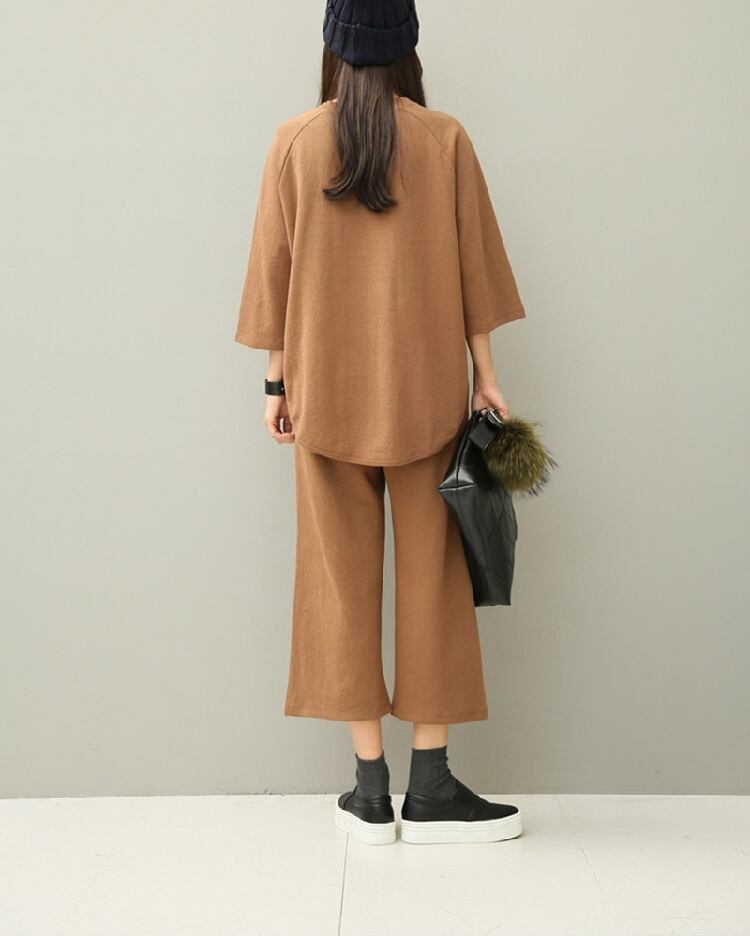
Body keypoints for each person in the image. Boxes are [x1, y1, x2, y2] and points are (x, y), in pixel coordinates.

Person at [235, 0, 526, 846]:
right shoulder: (444, 139)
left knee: (338, 584)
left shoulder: (294, 140)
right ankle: (430, 786)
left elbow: (274, 271)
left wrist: (275, 383)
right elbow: (476, 271)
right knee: (435, 582)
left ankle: (369, 793)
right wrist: (486, 378)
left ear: (332, 45)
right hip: (426, 397)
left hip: (323, 395)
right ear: (409, 48)